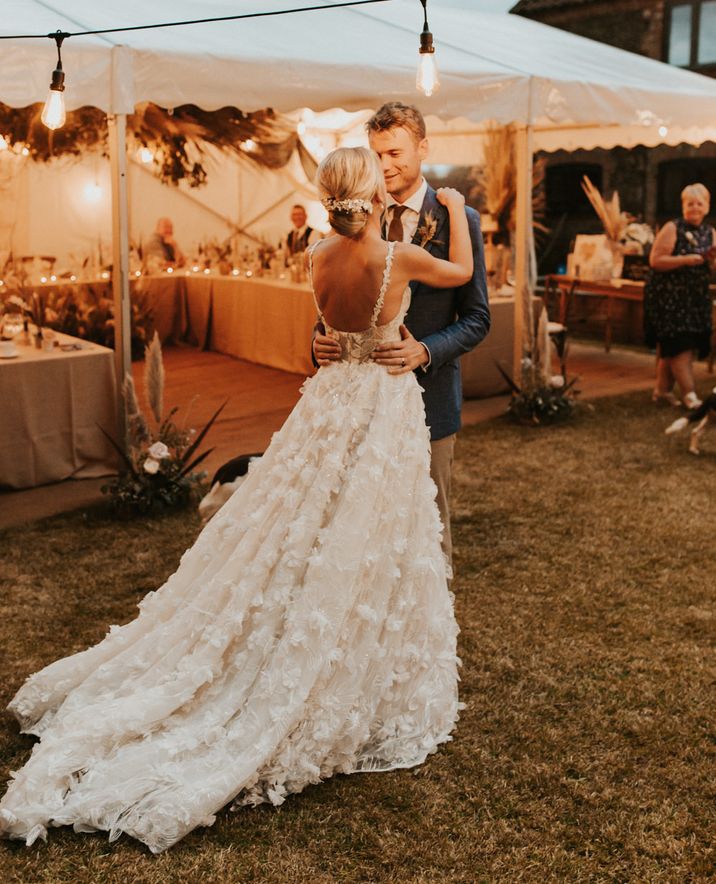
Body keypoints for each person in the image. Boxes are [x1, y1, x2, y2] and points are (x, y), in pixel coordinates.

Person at [0, 147, 469, 855]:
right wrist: (459, 211)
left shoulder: (316, 255)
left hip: (330, 398)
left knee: (302, 520)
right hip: (379, 405)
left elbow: (327, 332)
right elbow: (460, 274)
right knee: (370, 525)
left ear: (327, 195)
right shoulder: (397, 256)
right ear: (374, 192)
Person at [314, 103, 490, 564]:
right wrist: (319, 339)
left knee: (428, 522)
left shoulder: (459, 221)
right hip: (357, 405)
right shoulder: (352, 223)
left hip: (429, 399)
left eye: (394, 152)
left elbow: (478, 318)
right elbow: (341, 302)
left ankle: (431, 620)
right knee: (359, 520)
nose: (385, 165)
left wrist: (425, 351)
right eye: (376, 155)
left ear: (424, 148)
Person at [644, 183, 716, 408]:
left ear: (707, 207)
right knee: (680, 345)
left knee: (675, 347)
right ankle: (689, 394)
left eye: (699, 203)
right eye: (689, 203)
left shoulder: (710, 232)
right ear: (683, 206)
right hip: (670, 299)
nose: (694, 208)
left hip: (695, 299)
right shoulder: (672, 228)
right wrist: (685, 260)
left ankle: (661, 391)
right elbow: (656, 261)